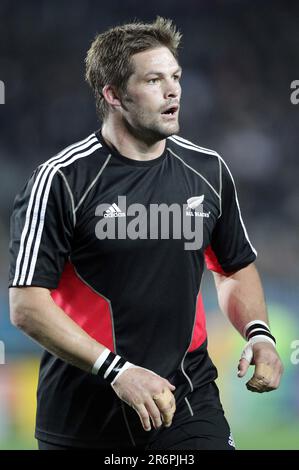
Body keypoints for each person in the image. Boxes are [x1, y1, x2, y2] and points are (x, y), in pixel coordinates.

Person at [9, 17, 283, 450]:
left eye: (175, 76)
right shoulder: (60, 180)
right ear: (113, 95)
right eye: (154, 80)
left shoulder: (208, 171)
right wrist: (117, 370)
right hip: (83, 416)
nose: (173, 90)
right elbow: (26, 305)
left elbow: (233, 267)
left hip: (188, 401)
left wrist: (258, 333)